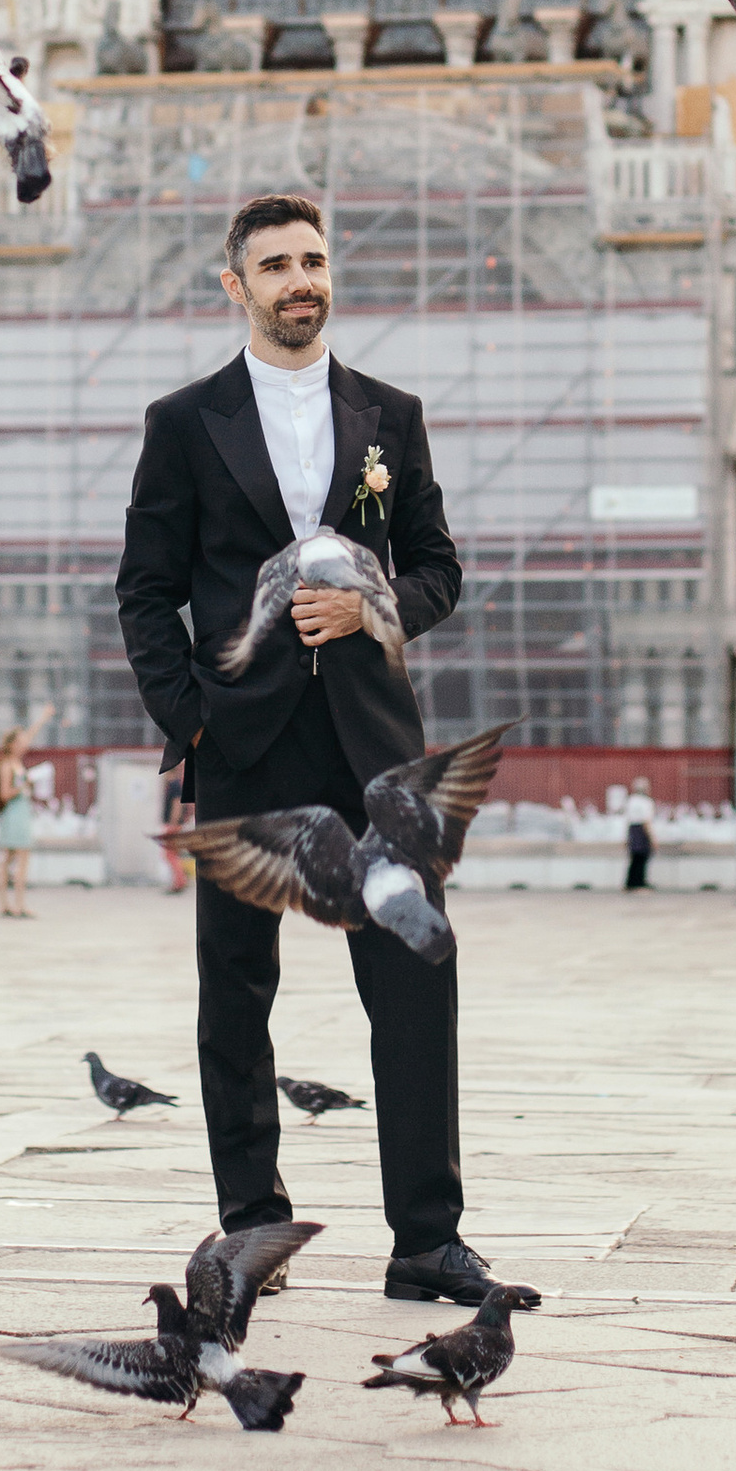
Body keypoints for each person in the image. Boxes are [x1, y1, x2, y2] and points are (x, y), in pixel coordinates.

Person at [116, 191, 493, 1308]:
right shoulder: (183, 422)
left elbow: (437, 567)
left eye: (314, 260)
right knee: (235, 993)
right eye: (276, 264)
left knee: (418, 977)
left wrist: (374, 606)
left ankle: (427, 1241)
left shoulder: (391, 414)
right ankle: (252, 1228)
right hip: (240, 743)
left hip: (375, 750)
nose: (301, 280)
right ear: (236, 286)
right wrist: (190, 718)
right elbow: (145, 594)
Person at [0, 722, 35, 920]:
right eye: (20, 742)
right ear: (12, 744)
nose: (24, 744)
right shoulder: (7, 765)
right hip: (14, 813)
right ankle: (16, 905)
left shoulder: (15, 762)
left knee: (8, 861)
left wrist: (42, 718)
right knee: (17, 860)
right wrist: (24, 785)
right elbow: (5, 793)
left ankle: (8, 904)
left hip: (19, 812)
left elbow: (31, 735)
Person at [624, 781, 655, 891]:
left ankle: (631, 882)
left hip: (633, 830)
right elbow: (646, 821)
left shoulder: (630, 801)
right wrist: (652, 838)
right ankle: (639, 882)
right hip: (641, 830)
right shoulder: (646, 802)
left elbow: (627, 819)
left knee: (634, 857)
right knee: (642, 857)